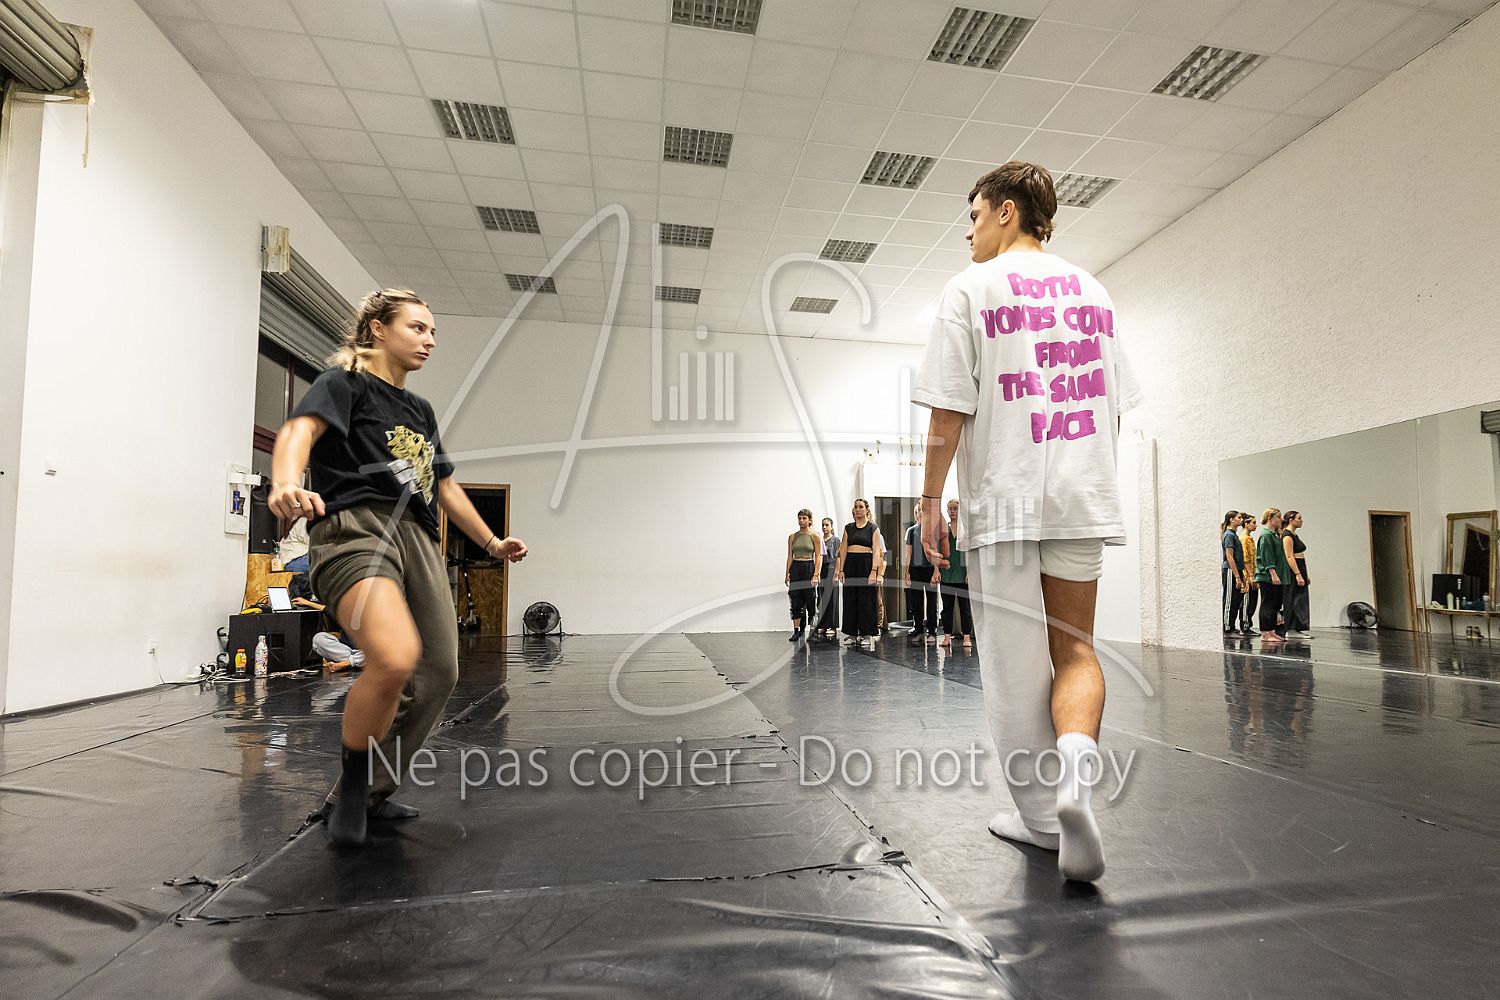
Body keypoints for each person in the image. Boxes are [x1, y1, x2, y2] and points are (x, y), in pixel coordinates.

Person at [914, 161, 1142, 883]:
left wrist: (928, 501)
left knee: (1014, 668)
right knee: (1075, 651)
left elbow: (947, 414)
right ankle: (1076, 780)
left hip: (1007, 497)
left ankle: (1043, 821)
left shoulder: (969, 289)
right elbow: (1113, 406)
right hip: (1080, 493)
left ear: (1007, 211)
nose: (969, 232)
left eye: (975, 216)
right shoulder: (1094, 291)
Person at [269, 288, 528, 848]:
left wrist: (490, 541)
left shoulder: (420, 411)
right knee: (393, 656)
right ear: (378, 329)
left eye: (433, 331)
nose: (429, 340)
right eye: (417, 327)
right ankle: (353, 791)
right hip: (357, 529)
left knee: (439, 671)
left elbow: (445, 486)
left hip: (418, 537)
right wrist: (286, 481)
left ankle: (370, 793)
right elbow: (298, 431)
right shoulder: (344, 384)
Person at [835, 498, 883, 648]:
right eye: (856, 507)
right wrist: (841, 570)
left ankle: (867, 633)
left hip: (866, 564)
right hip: (850, 564)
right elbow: (843, 549)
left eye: (861, 507)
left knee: (866, 599)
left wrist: (874, 571)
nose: (857, 509)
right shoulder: (848, 528)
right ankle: (851, 633)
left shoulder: (873, 528)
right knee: (850, 598)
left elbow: (876, 551)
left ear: (867, 509)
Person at [938, 498, 974, 648]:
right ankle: (947, 637)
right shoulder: (942, 530)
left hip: (962, 574)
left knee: (965, 608)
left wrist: (970, 572)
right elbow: (937, 552)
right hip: (946, 574)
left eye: (955, 508)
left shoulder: (965, 530)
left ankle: (966, 637)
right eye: (950, 508)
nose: (952, 511)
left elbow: (971, 552)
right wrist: (936, 570)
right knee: (947, 608)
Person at [904, 499, 940, 644]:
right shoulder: (911, 531)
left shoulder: (932, 530)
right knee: (916, 602)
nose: (918, 513)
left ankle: (932, 631)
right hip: (915, 570)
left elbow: (936, 552)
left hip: (930, 569)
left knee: (931, 602)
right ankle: (918, 629)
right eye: (916, 511)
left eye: (920, 511)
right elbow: (908, 554)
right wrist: (907, 573)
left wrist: (936, 571)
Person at [784, 508, 822, 643]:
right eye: (800, 518)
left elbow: (819, 556)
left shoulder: (815, 536)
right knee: (795, 599)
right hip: (796, 567)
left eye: (804, 518)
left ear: (809, 520)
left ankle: (812, 630)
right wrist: (787, 573)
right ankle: (797, 631)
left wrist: (816, 574)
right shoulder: (792, 537)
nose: (801, 521)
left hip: (808, 567)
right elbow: (790, 556)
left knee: (810, 599)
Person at [1254, 508, 1288, 644]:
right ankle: (1265, 633)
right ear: (1270, 518)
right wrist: (1273, 573)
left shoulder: (1274, 535)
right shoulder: (1266, 535)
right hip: (1267, 576)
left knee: (1275, 604)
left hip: (1276, 575)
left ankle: (1271, 631)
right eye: (1278, 517)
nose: (1281, 520)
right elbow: (1266, 556)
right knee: (1268, 604)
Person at [1281, 511, 1311, 639]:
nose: (1301, 520)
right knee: (1292, 598)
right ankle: (1290, 628)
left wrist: (1305, 575)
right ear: (1291, 520)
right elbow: (1289, 556)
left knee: (1300, 600)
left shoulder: (1294, 535)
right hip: (1293, 570)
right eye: (1299, 518)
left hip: (1301, 566)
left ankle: (1298, 627)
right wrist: (1297, 574)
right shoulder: (1287, 536)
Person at [1221, 511, 1246, 635]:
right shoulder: (1229, 535)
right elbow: (1229, 557)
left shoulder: (1234, 535)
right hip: (1231, 570)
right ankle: (1227, 628)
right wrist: (1237, 576)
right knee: (1229, 600)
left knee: (1235, 600)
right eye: (1239, 517)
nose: (1242, 520)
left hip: (1237, 570)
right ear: (1231, 519)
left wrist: (1241, 574)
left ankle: (1231, 625)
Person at [816, 517, 840, 639]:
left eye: (827, 525)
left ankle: (833, 626)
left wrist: (836, 573)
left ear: (831, 526)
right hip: (822, 570)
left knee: (832, 598)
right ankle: (823, 625)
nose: (824, 527)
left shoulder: (835, 540)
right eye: (823, 525)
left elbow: (838, 557)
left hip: (832, 569)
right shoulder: (819, 540)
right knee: (822, 598)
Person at [1239, 512, 1259, 635]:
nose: (1255, 525)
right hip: (1247, 575)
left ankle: (1247, 624)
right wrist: (1251, 576)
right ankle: (1245, 625)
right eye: (1253, 523)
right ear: (1246, 524)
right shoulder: (1244, 539)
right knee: (1247, 601)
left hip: (1252, 573)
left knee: (1252, 601)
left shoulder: (1249, 538)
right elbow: (1245, 559)